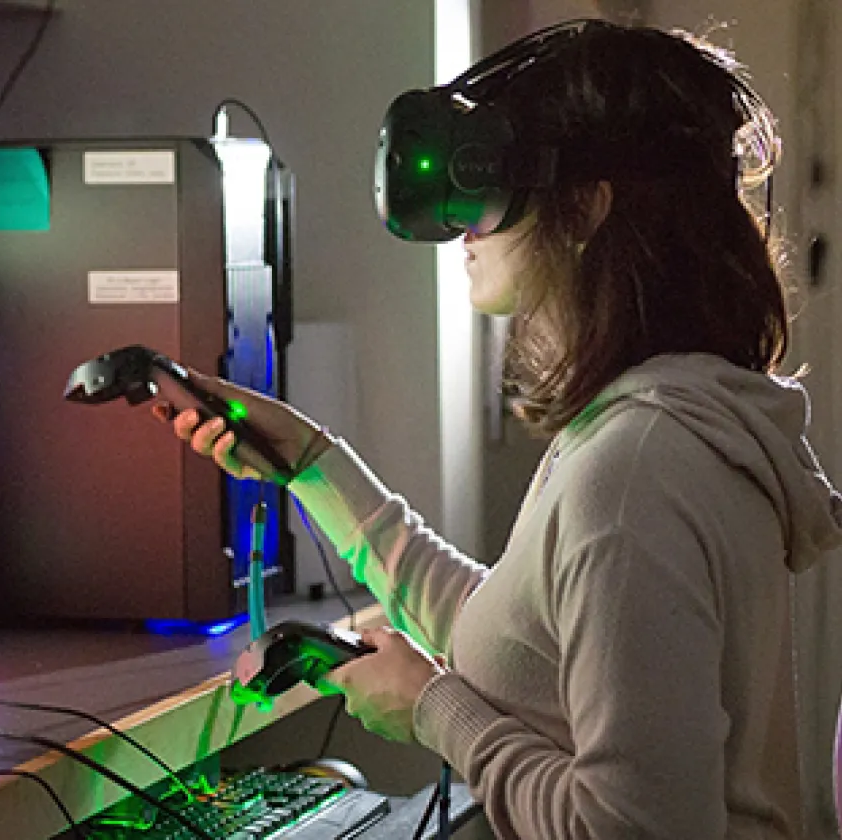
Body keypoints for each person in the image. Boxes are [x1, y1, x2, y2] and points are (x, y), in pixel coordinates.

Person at [151, 18, 842, 840]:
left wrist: (432, 709)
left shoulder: (635, 470)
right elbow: (518, 638)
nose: (462, 226)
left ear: (584, 208)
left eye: (491, 186)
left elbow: (634, 830)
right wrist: (310, 461)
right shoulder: (656, 427)